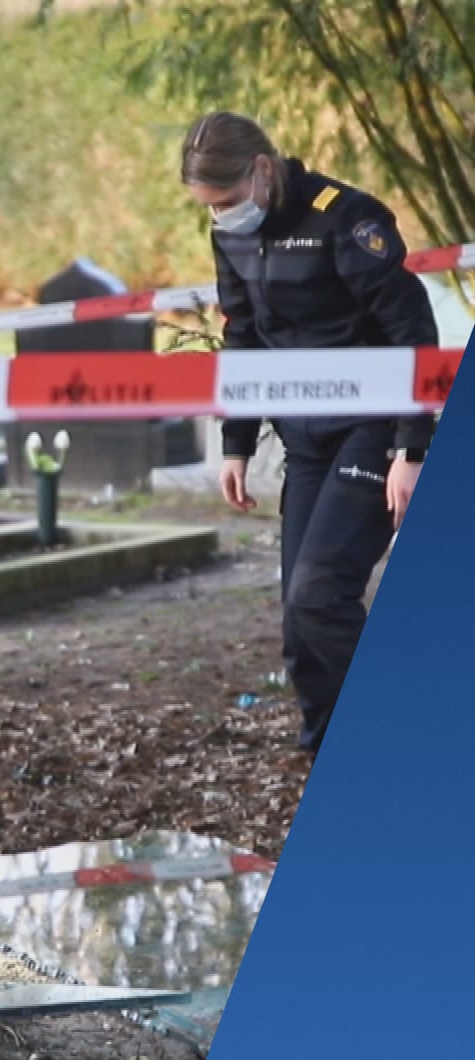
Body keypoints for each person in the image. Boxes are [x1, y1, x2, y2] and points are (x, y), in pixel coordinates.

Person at [183, 110, 438, 757]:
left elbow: (412, 333)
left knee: (320, 596)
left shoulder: (344, 220)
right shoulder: (231, 235)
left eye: (230, 201)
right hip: (304, 437)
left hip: (372, 426)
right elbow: (241, 335)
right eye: (209, 207)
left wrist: (411, 449)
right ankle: (331, 754)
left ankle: (415, 734)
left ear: (262, 171)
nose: (222, 216)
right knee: (300, 624)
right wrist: (235, 442)